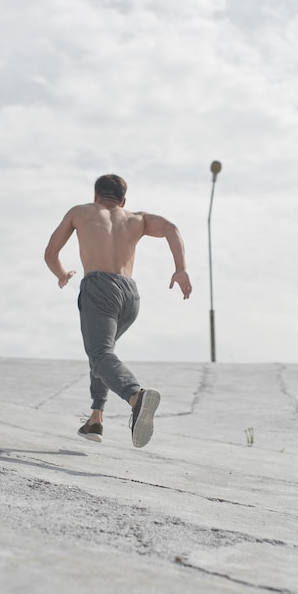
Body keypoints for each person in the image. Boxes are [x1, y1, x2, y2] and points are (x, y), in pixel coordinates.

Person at [44, 174, 192, 448]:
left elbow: (51, 253)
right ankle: (96, 418)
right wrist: (180, 268)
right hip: (130, 295)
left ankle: (136, 397)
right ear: (123, 201)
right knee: (101, 352)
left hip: (99, 288)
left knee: (100, 354)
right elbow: (171, 227)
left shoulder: (81, 212)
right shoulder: (137, 218)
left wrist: (62, 274)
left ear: (95, 196)